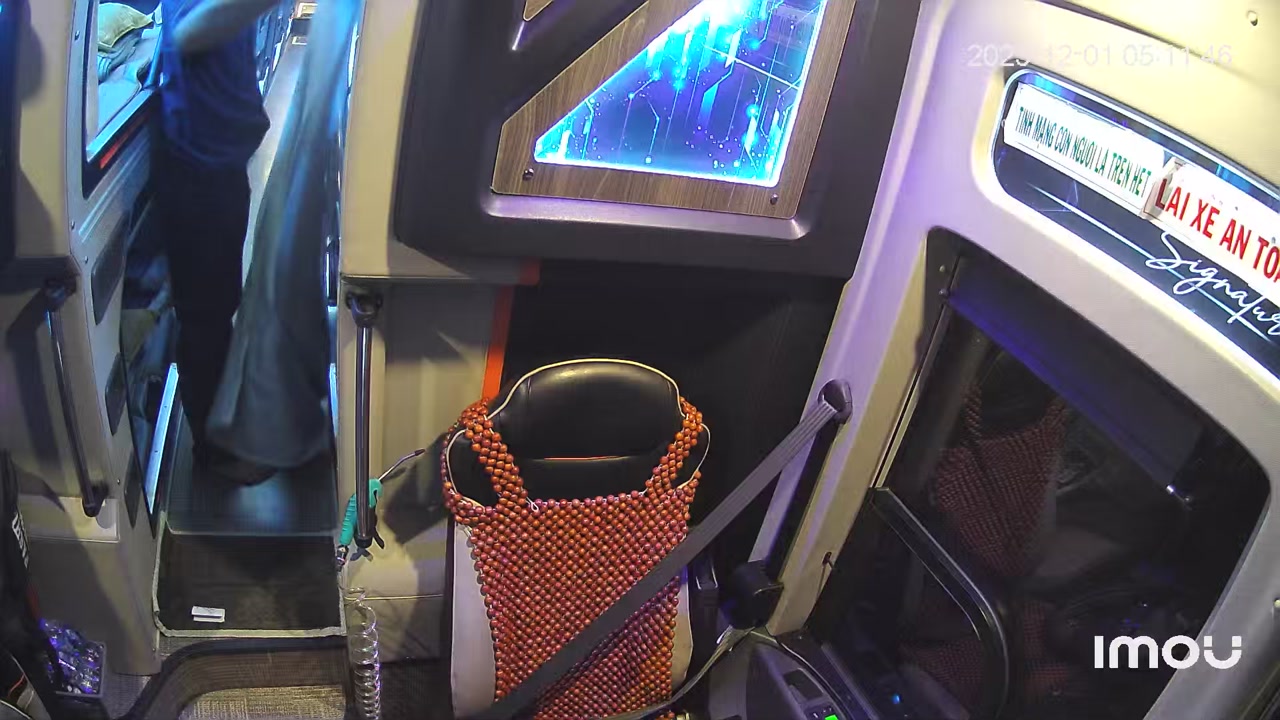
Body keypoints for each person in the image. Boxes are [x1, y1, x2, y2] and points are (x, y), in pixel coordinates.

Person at [147, 0, 284, 483]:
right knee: (205, 315)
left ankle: (226, 421)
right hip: (198, 166)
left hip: (214, 159)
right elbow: (188, 32)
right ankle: (215, 452)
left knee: (218, 302)